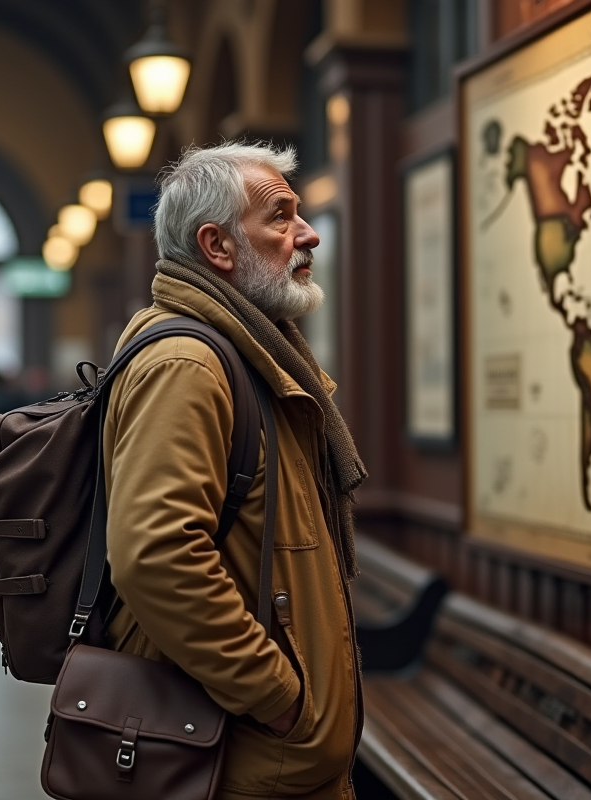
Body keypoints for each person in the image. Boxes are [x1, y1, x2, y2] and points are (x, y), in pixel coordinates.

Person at [104, 142, 367, 800]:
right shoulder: (190, 364)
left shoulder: (242, 350)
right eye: (280, 217)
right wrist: (275, 695)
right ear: (217, 246)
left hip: (261, 757)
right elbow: (155, 554)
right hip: (236, 758)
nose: (306, 234)